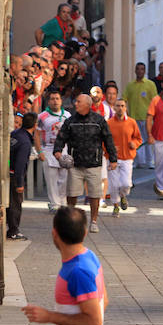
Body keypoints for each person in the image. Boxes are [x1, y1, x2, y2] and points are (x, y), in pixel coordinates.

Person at [53, 94, 119, 234]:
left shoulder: (99, 120)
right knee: (72, 193)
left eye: (78, 101)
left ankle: (94, 221)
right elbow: (61, 137)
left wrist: (113, 159)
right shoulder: (70, 121)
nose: (75, 104)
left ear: (87, 105)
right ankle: (71, 219)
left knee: (95, 194)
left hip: (93, 164)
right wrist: (57, 151)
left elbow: (108, 139)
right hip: (75, 164)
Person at [106, 99, 142, 217]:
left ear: (125, 108)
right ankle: (115, 206)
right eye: (118, 106)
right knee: (113, 185)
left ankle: (123, 196)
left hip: (127, 158)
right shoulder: (109, 123)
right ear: (114, 108)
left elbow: (138, 138)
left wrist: (134, 144)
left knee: (126, 184)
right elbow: (103, 140)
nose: (120, 108)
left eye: (122, 106)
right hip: (113, 159)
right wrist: (110, 148)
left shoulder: (132, 122)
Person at [37, 92, 71, 213]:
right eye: (52, 99)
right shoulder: (42, 116)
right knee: (51, 180)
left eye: (57, 98)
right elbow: (37, 134)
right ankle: (54, 203)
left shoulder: (67, 115)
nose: (55, 101)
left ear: (61, 101)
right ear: (48, 101)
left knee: (64, 179)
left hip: (64, 150)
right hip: (48, 150)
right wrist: (39, 151)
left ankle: (63, 202)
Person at [7, 112, 36, 240]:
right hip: (14, 175)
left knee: (10, 203)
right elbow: (20, 164)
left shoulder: (15, 134)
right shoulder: (25, 142)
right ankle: (13, 231)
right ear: (35, 125)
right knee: (15, 204)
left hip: (7, 172)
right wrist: (20, 183)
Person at [125, 62, 158, 169]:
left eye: (142, 69)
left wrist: (154, 115)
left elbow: (155, 101)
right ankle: (138, 161)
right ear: (135, 70)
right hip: (134, 117)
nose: (140, 71)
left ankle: (150, 161)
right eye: (138, 69)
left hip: (147, 117)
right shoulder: (130, 85)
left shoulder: (150, 84)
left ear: (145, 71)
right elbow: (124, 99)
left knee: (149, 139)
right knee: (136, 140)